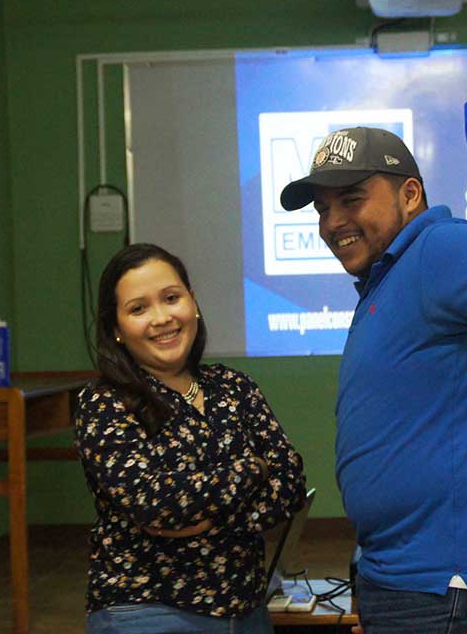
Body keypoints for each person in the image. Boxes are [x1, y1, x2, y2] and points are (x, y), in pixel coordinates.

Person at [279, 96, 467, 634]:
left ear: (410, 194)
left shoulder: (443, 247)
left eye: (352, 200)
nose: (333, 222)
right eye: (322, 209)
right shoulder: (389, 278)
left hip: (460, 593)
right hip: (410, 582)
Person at [75, 243, 307, 634]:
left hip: (247, 613)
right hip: (147, 613)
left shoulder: (235, 387)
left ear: (193, 302)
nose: (161, 318)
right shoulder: (103, 403)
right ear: (116, 328)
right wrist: (253, 469)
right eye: (138, 308)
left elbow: (290, 482)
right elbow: (154, 503)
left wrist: (196, 518)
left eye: (171, 298)